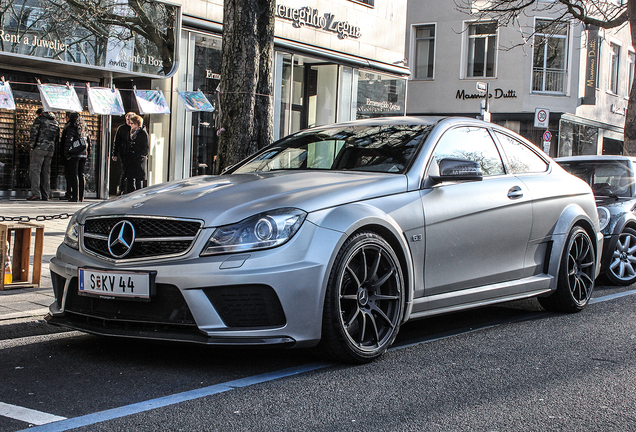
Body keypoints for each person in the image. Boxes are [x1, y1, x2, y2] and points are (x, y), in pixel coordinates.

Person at [28, 108, 60, 201]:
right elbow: (57, 137)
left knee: (35, 171)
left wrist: (31, 146)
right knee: (46, 172)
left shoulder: (40, 120)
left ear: (40, 113)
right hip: (50, 149)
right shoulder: (55, 122)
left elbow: (34, 133)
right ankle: (46, 194)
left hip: (39, 147)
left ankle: (36, 194)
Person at [62, 112, 90, 202]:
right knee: (81, 174)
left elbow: (68, 141)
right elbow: (88, 142)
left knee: (74, 175)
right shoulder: (84, 128)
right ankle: (81, 196)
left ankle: (75, 196)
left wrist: (66, 154)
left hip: (74, 154)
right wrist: (87, 153)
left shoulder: (71, 127)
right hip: (83, 154)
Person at [124, 114, 149, 193]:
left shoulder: (142, 134)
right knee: (129, 178)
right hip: (130, 159)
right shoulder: (131, 133)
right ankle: (131, 192)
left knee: (139, 179)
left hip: (138, 160)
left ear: (137, 124)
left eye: (132, 123)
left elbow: (146, 147)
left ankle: (138, 193)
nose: (130, 125)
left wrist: (140, 156)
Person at [112, 112, 135, 195]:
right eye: (127, 119)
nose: (129, 121)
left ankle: (130, 189)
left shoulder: (136, 129)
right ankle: (122, 188)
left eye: (130, 119)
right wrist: (114, 153)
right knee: (125, 171)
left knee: (131, 172)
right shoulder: (122, 128)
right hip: (124, 153)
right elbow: (117, 142)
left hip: (133, 154)